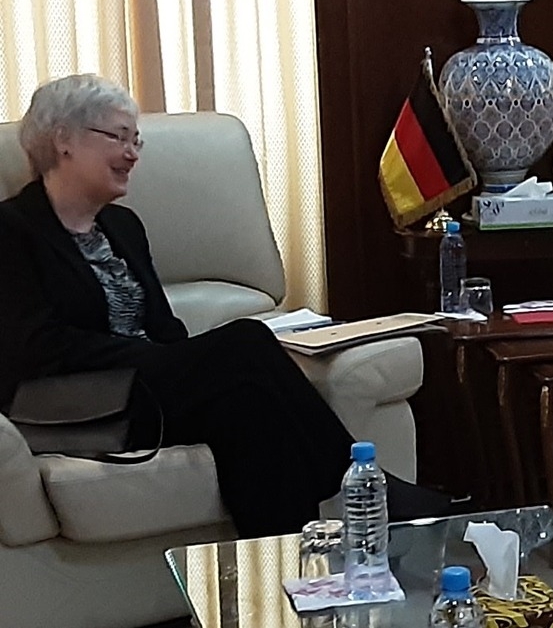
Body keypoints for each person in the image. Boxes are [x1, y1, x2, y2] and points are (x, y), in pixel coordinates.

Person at [0, 74, 358, 537]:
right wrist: (159, 360)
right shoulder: (11, 230)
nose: (132, 154)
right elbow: (36, 348)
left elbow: (165, 329)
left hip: (147, 389)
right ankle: (361, 485)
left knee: (246, 407)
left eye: (136, 141)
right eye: (118, 137)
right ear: (63, 140)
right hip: (74, 402)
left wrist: (180, 363)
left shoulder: (123, 226)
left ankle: (284, 562)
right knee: (247, 340)